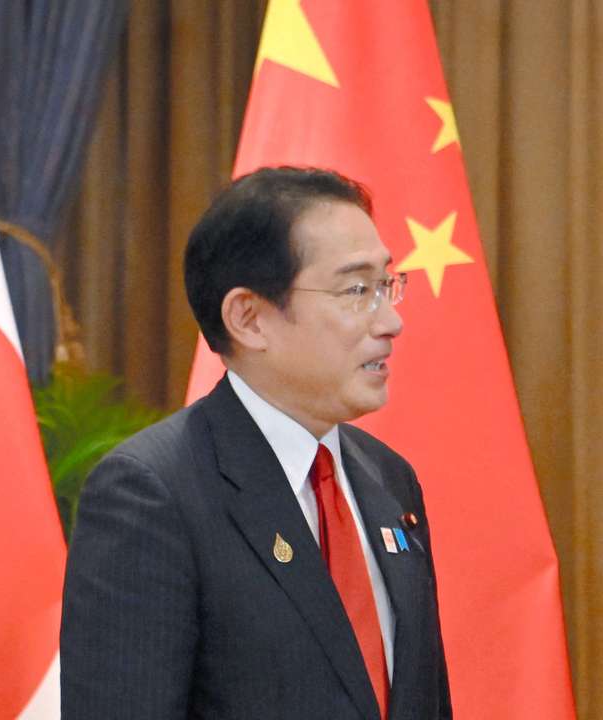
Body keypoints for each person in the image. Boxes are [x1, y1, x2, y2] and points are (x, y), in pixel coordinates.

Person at [61, 167, 451, 719]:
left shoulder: (390, 481)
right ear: (248, 318)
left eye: (387, 285)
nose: (391, 321)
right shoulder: (153, 495)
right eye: (357, 290)